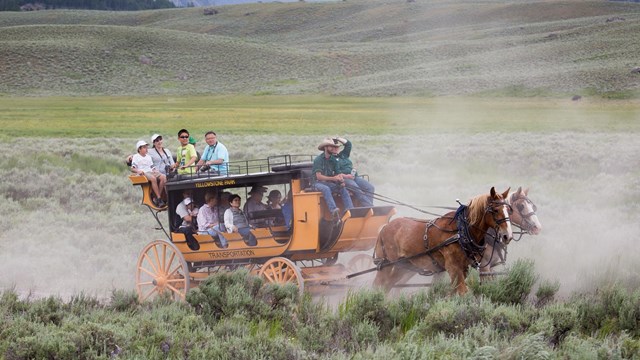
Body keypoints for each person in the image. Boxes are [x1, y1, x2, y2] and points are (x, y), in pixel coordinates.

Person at [313, 138, 354, 219]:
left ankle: (350, 209)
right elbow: (319, 176)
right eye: (330, 146)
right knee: (326, 189)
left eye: (333, 146)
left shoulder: (333, 160)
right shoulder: (318, 160)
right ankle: (333, 210)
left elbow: (338, 173)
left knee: (342, 188)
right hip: (317, 183)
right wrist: (333, 178)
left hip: (329, 183)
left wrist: (341, 180)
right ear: (325, 147)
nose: (333, 148)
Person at [332, 136, 375, 207]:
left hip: (354, 177)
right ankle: (370, 207)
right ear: (329, 148)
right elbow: (334, 174)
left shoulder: (343, 155)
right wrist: (346, 176)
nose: (336, 148)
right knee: (357, 189)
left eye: (337, 146)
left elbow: (348, 144)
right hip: (343, 179)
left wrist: (338, 138)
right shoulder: (329, 159)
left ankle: (367, 208)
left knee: (370, 187)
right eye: (334, 147)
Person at [130, 140, 166, 208]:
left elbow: (152, 166)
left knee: (163, 177)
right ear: (139, 149)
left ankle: (158, 197)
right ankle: (159, 198)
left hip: (150, 171)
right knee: (153, 178)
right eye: (144, 147)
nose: (146, 149)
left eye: (146, 147)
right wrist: (138, 171)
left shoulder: (148, 157)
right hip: (143, 173)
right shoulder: (136, 157)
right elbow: (133, 168)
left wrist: (155, 170)